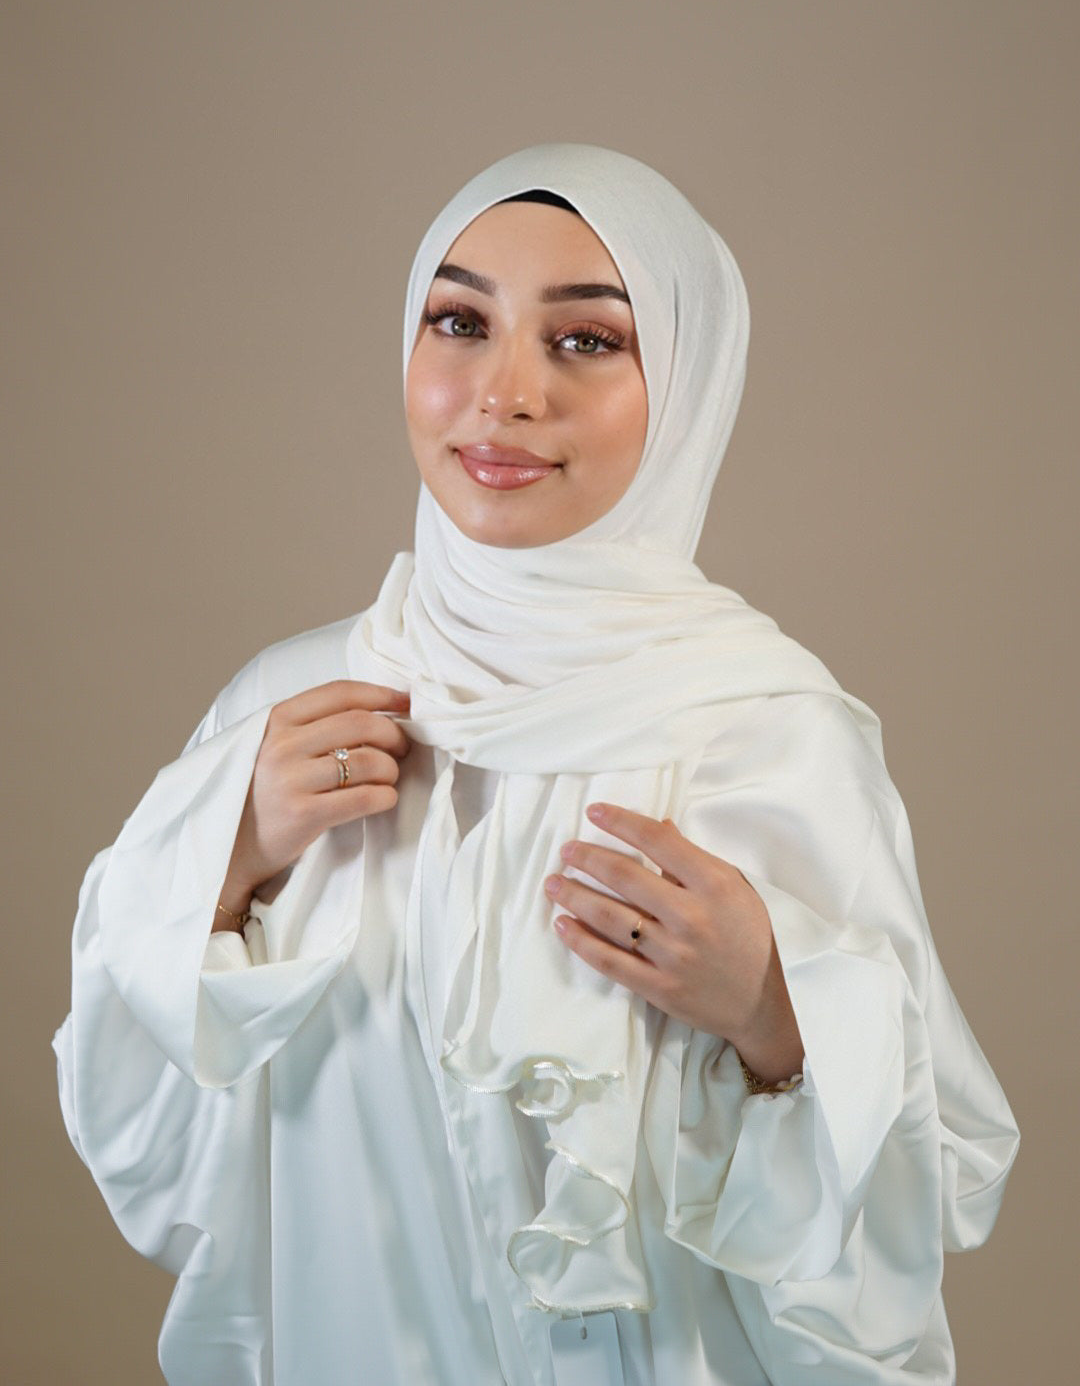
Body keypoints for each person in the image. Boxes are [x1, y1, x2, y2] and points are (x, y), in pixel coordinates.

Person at [52, 143, 1019, 1386]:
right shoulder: (284, 713)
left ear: (687, 382)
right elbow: (149, 1133)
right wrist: (220, 860)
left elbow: (923, 1188)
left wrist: (775, 1012)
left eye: (586, 340)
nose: (505, 392)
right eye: (460, 322)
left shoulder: (770, 733)